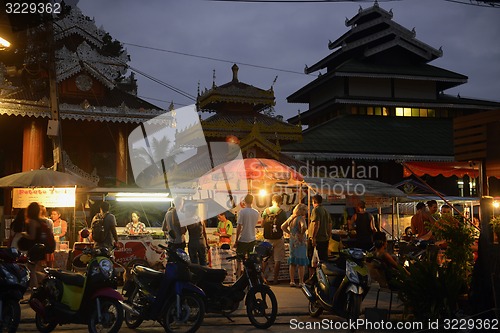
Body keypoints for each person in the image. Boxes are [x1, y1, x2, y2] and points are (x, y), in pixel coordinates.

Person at [261, 194, 287, 284]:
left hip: (267, 238)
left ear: (272, 201)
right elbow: (285, 225)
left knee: (265, 259)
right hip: (278, 239)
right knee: (277, 260)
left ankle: (262, 278)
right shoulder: (282, 212)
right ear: (280, 202)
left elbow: (262, 224)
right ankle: (275, 279)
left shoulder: (266, 211)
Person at [282, 203, 309, 287]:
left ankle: (292, 281)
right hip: (300, 242)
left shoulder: (291, 218)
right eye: (305, 210)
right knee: (301, 263)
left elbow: (282, 227)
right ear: (301, 210)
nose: (306, 212)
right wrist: (301, 233)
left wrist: (290, 233)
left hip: (292, 241)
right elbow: (304, 226)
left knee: (292, 262)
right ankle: (301, 281)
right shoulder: (301, 218)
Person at [307, 194, 332, 279]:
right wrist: (328, 235)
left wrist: (313, 237)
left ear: (314, 202)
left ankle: (313, 278)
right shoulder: (325, 211)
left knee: (311, 259)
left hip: (317, 239)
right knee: (323, 260)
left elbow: (316, 224)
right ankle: (324, 277)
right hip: (324, 239)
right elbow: (330, 225)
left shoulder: (316, 210)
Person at [234, 194, 259, 276]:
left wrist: (236, 240)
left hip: (243, 239)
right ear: (252, 201)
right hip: (252, 239)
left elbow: (239, 227)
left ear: (244, 201)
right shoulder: (256, 212)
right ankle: (249, 277)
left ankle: (238, 276)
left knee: (239, 259)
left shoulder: (242, 212)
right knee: (250, 260)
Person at [20, 202, 42, 288]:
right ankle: (39, 284)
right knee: (32, 269)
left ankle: (34, 290)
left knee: (31, 270)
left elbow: (32, 236)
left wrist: (23, 234)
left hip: (33, 248)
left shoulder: (32, 222)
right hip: (37, 248)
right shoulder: (39, 221)